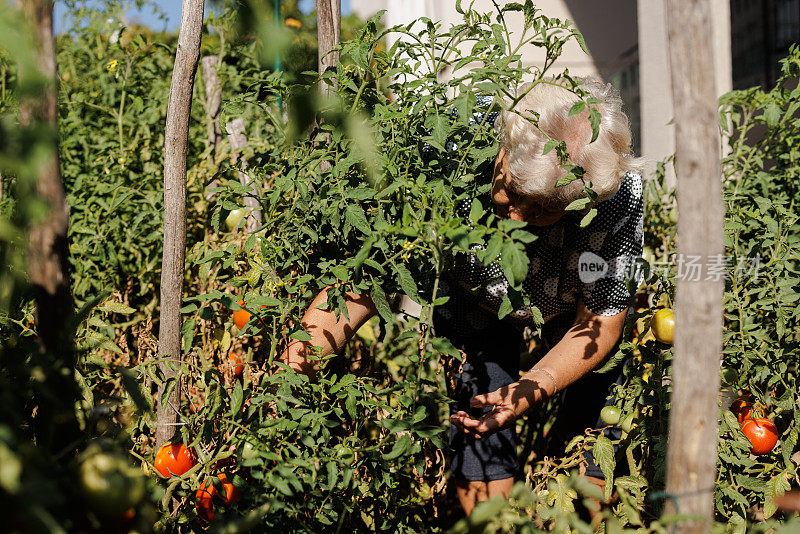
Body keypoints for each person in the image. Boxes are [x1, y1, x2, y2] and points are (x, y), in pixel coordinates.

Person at [281, 77, 644, 515]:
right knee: (479, 414)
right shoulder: (444, 148)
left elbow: (600, 321)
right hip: (478, 306)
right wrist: (290, 381)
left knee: (594, 433)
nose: (520, 217)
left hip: (570, 313)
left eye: (546, 210)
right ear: (505, 146)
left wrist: (533, 386)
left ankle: (586, 520)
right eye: (514, 193)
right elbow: (364, 280)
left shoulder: (614, 194)